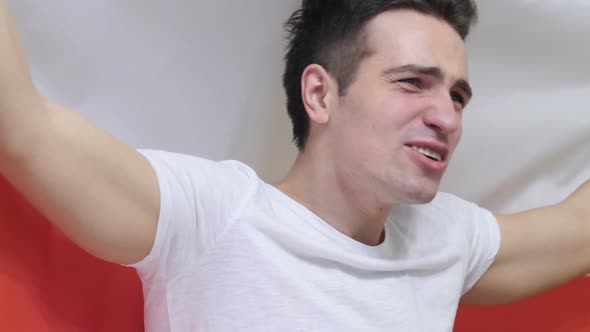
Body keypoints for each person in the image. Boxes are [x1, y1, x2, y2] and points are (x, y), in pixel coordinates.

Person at [0, 0, 588, 331]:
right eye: (414, 83)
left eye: (458, 96)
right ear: (321, 95)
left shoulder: (448, 241)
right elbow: (21, 124)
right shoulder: (216, 215)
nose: (449, 117)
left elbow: (577, 228)